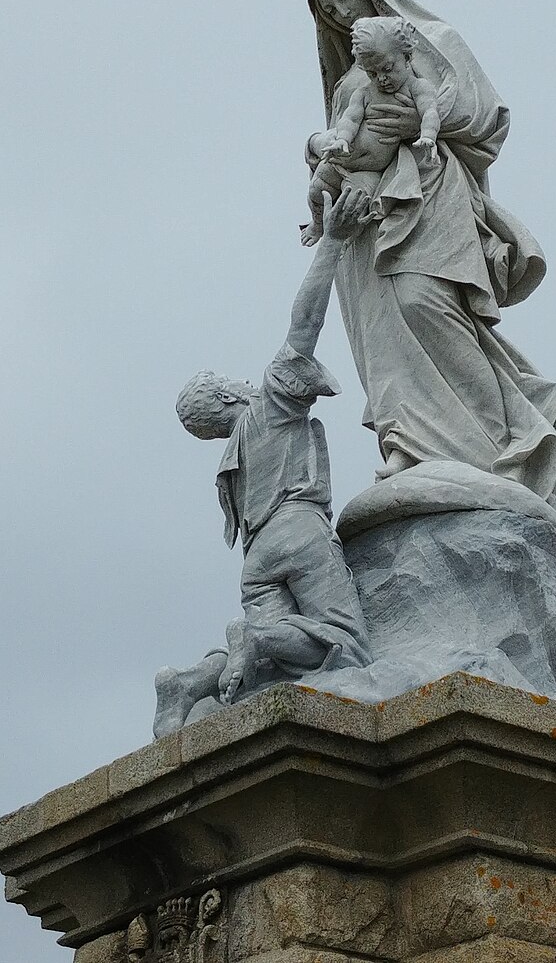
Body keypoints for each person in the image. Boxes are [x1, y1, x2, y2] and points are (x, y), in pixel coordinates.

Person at [296, 0, 556, 491]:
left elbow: (488, 115)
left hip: (428, 188)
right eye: (326, 8)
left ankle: (512, 435)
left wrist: (424, 122)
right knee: (384, 333)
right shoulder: (349, 77)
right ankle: (409, 445)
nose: (337, 11)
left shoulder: (433, 41)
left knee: (425, 302)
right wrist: (313, 148)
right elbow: (336, 145)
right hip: (363, 212)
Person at [153, 188, 373, 738]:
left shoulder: (233, 461)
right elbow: (304, 324)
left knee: (274, 667)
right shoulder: (266, 408)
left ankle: (188, 683)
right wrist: (335, 242)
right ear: (228, 396)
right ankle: (252, 641)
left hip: (256, 562)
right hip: (298, 531)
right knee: (346, 644)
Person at [302, 16, 440, 247]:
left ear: (407, 57)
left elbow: (430, 112)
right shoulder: (365, 93)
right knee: (317, 191)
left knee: (353, 205)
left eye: (387, 69)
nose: (381, 79)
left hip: (369, 172)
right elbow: (350, 118)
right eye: (372, 74)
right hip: (342, 159)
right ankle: (317, 224)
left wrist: (427, 136)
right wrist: (342, 140)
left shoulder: (419, 87)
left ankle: (343, 241)